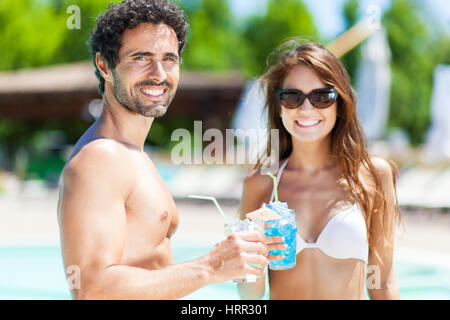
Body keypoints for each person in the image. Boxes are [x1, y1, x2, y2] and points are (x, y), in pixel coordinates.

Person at [57, 0, 283, 300]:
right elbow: (92, 290)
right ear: (104, 66)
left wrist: (235, 253)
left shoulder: (134, 155)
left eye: (169, 59)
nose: (159, 73)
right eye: (141, 58)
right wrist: (211, 267)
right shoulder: (100, 158)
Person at [237, 41, 402, 300]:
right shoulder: (260, 184)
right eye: (292, 97)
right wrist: (252, 260)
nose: (306, 109)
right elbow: (250, 295)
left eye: (321, 97)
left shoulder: (372, 176)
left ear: (340, 104)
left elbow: (383, 284)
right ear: (279, 108)